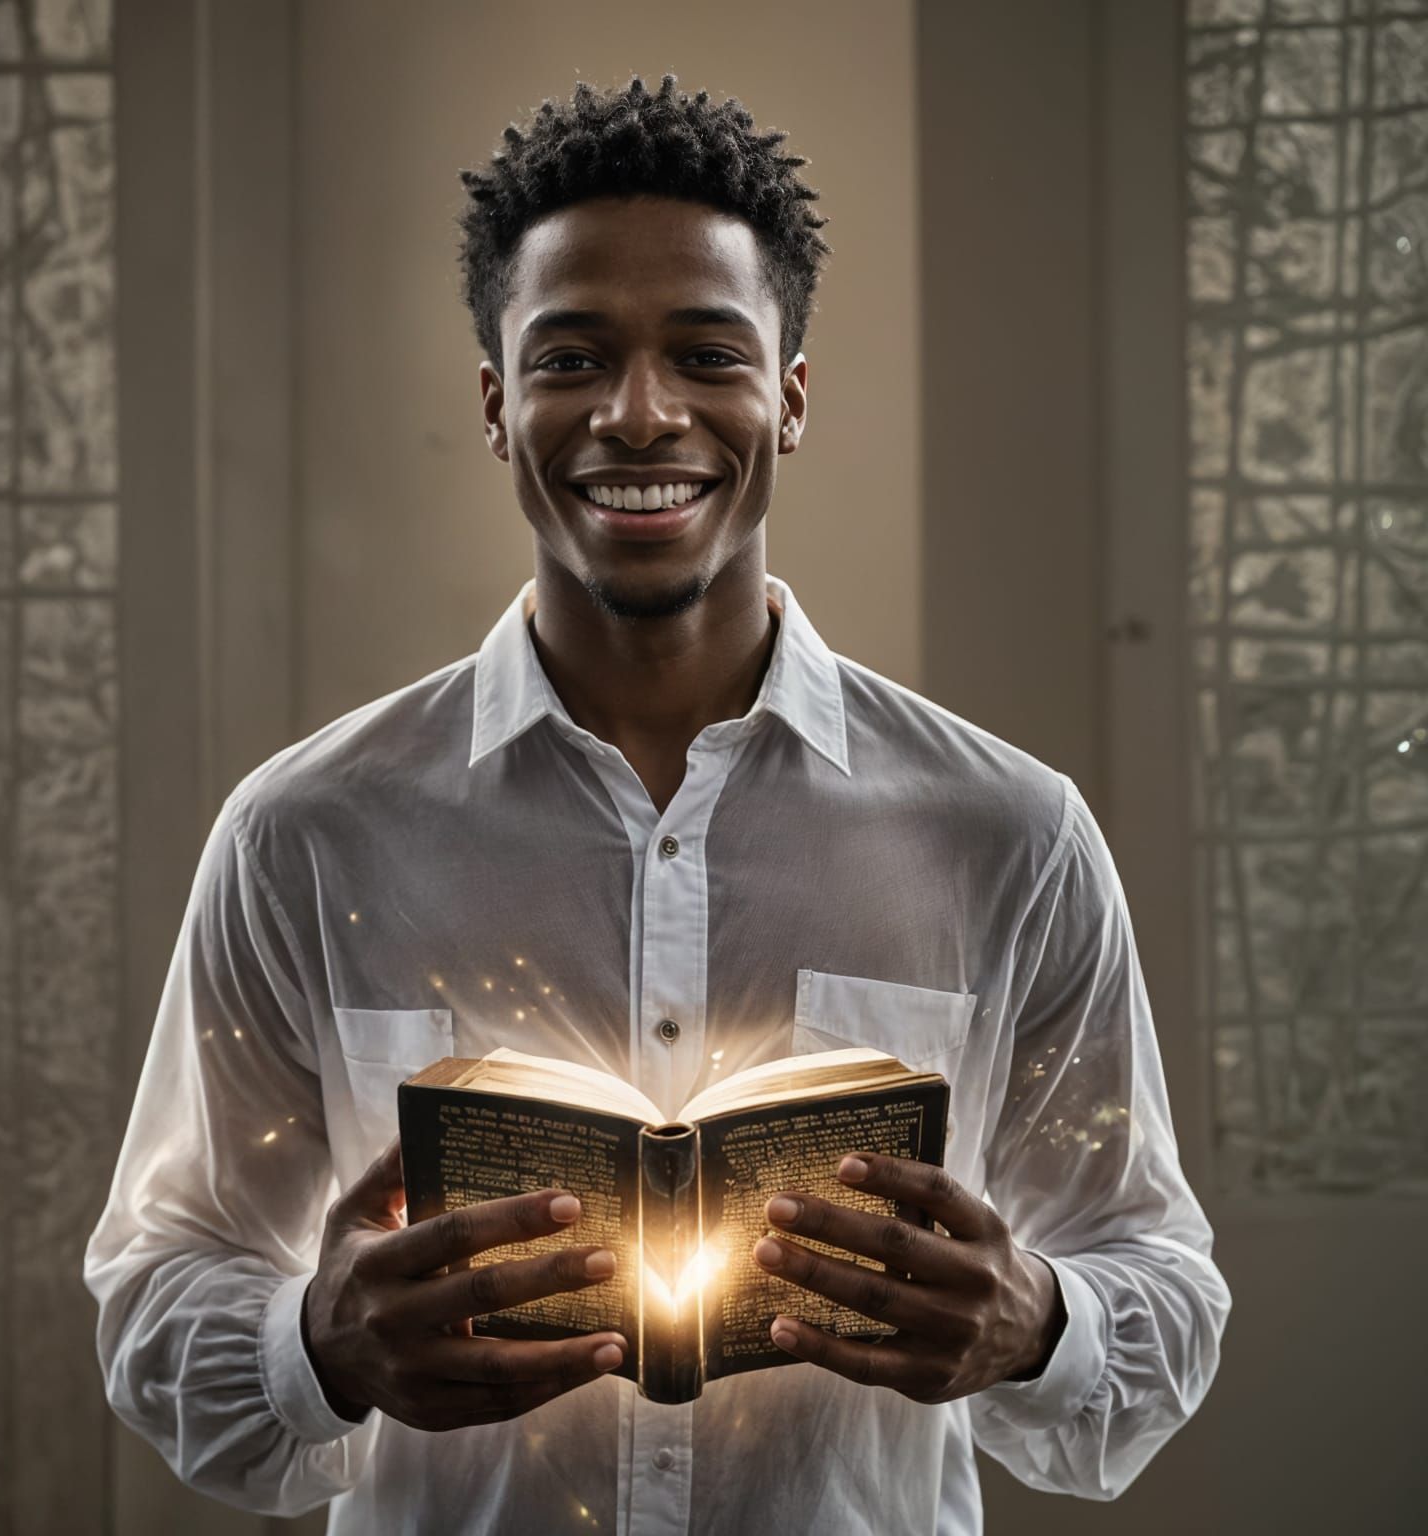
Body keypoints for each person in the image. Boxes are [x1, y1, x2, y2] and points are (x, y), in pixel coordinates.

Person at [85, 73, 1229, 1535]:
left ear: (788, 399)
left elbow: (1160, 1278)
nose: (639, 414)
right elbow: (154, 1288)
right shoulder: (301, 835)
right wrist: (318, 1347)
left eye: (707, 352)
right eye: (571, 358)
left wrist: (1038, 1323)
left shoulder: (1010, 833)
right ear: (499, 405)